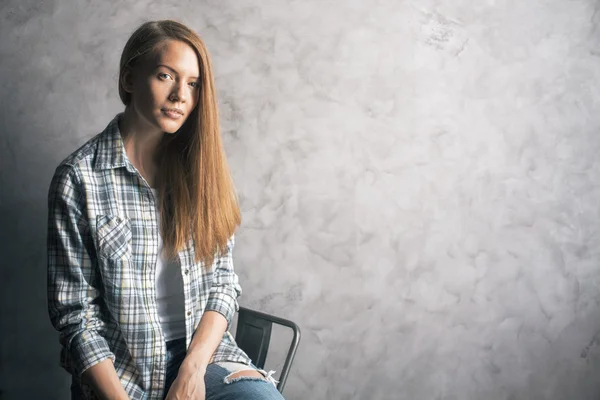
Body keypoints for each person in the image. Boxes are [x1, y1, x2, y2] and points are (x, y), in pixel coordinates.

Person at [47, 19, 284, 400]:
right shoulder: (79, 179)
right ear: (129, 79)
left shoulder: (202, 171)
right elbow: (78, 318)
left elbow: (222, 284)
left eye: (192, 84)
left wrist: (192, 370)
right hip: (123, 372)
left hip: (205, 356)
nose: (180, 96)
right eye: (165, 76)